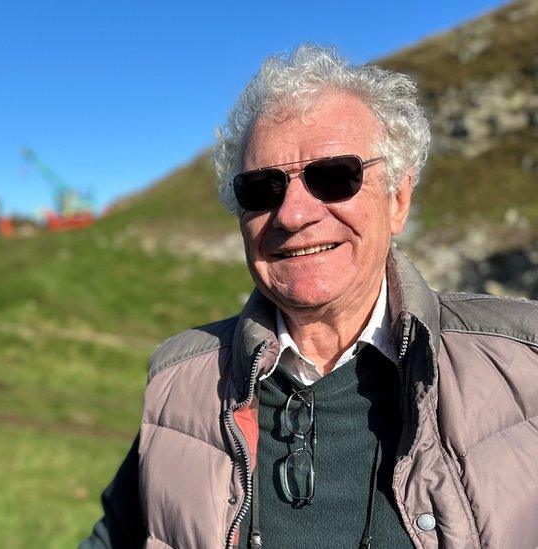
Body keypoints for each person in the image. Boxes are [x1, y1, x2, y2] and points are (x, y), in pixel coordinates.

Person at [82, 45, 538, 549]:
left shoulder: (523, 362)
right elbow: (115, 537)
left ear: (398, 199)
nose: (293, 214)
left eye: (333, 177)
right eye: (262, 188)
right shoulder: (178, 380)